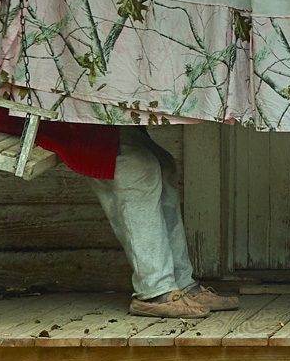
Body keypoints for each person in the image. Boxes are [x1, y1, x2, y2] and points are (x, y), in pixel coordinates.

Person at [95, 127, 238, 319]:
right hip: (73, 124)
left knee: (165, 164)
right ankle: (154, 290)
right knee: (136, 168)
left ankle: (181, 284)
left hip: (114, 125)